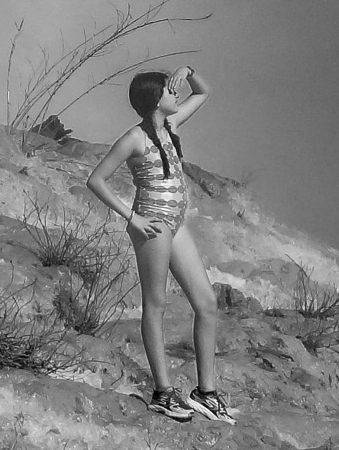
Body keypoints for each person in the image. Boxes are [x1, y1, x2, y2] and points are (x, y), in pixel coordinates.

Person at [86, 65, 234, 425]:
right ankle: (163, 393)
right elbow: (96, 179)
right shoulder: (133, 138)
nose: (176, 94)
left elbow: (203, 92)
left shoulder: (171, 126)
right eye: (170, 91)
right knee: (156, 304)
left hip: (177, 222)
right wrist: (131, 217)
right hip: (152, 225)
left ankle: (206, 393)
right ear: (155, 99)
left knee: (206, 303)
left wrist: (187, 71)